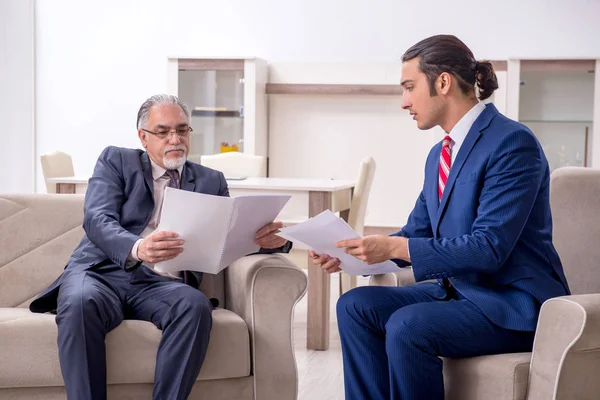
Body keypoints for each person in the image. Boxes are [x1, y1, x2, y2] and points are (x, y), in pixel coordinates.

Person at [311, 35, 570, 400]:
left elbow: (488, 248)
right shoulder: (439, 155)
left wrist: (395, 245)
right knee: (355, 306)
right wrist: (352, 251)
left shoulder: (513, 143)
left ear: (443, 82)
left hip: (511, 303)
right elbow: (417, 231)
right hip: (458, 293)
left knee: (408, 325)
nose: (404, 102)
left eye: (409, 87)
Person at [29, 94, 291, 400]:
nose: (175, 138)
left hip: (161, 285)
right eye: (163, 131)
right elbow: (97, 218)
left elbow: (228, 234)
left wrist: (273, 242)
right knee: (80, 301)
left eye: (182, 130)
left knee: (194, 306)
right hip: (101, 272)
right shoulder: (117, 161)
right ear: (143, 136)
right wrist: (138, 247)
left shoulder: (210, 180)